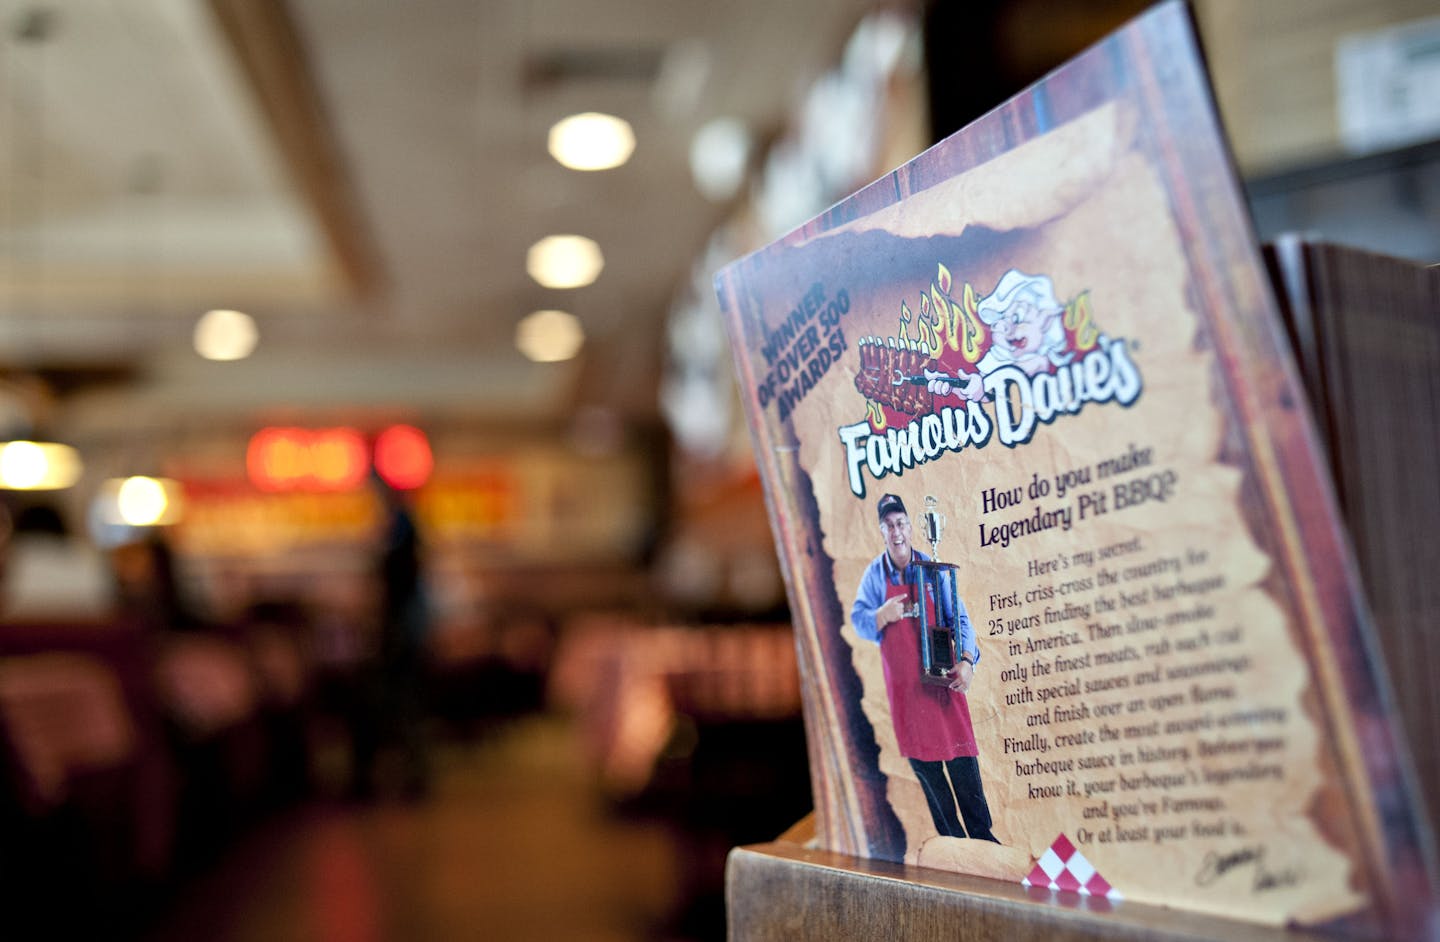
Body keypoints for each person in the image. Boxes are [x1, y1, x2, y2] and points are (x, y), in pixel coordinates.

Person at [851, 493, 998, 842]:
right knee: (928, 770)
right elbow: (858, 620)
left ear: (911, 527)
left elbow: (958, 617)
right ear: (881, 531)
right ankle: (953, 843)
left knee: (962, 760)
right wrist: (879, 616)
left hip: (942, 686)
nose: (895, 531)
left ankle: (982, 836)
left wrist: (966, 660)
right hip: (906, 695)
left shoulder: (932, 571)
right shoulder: (874, 576)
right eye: (888, 525)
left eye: (900, 522)